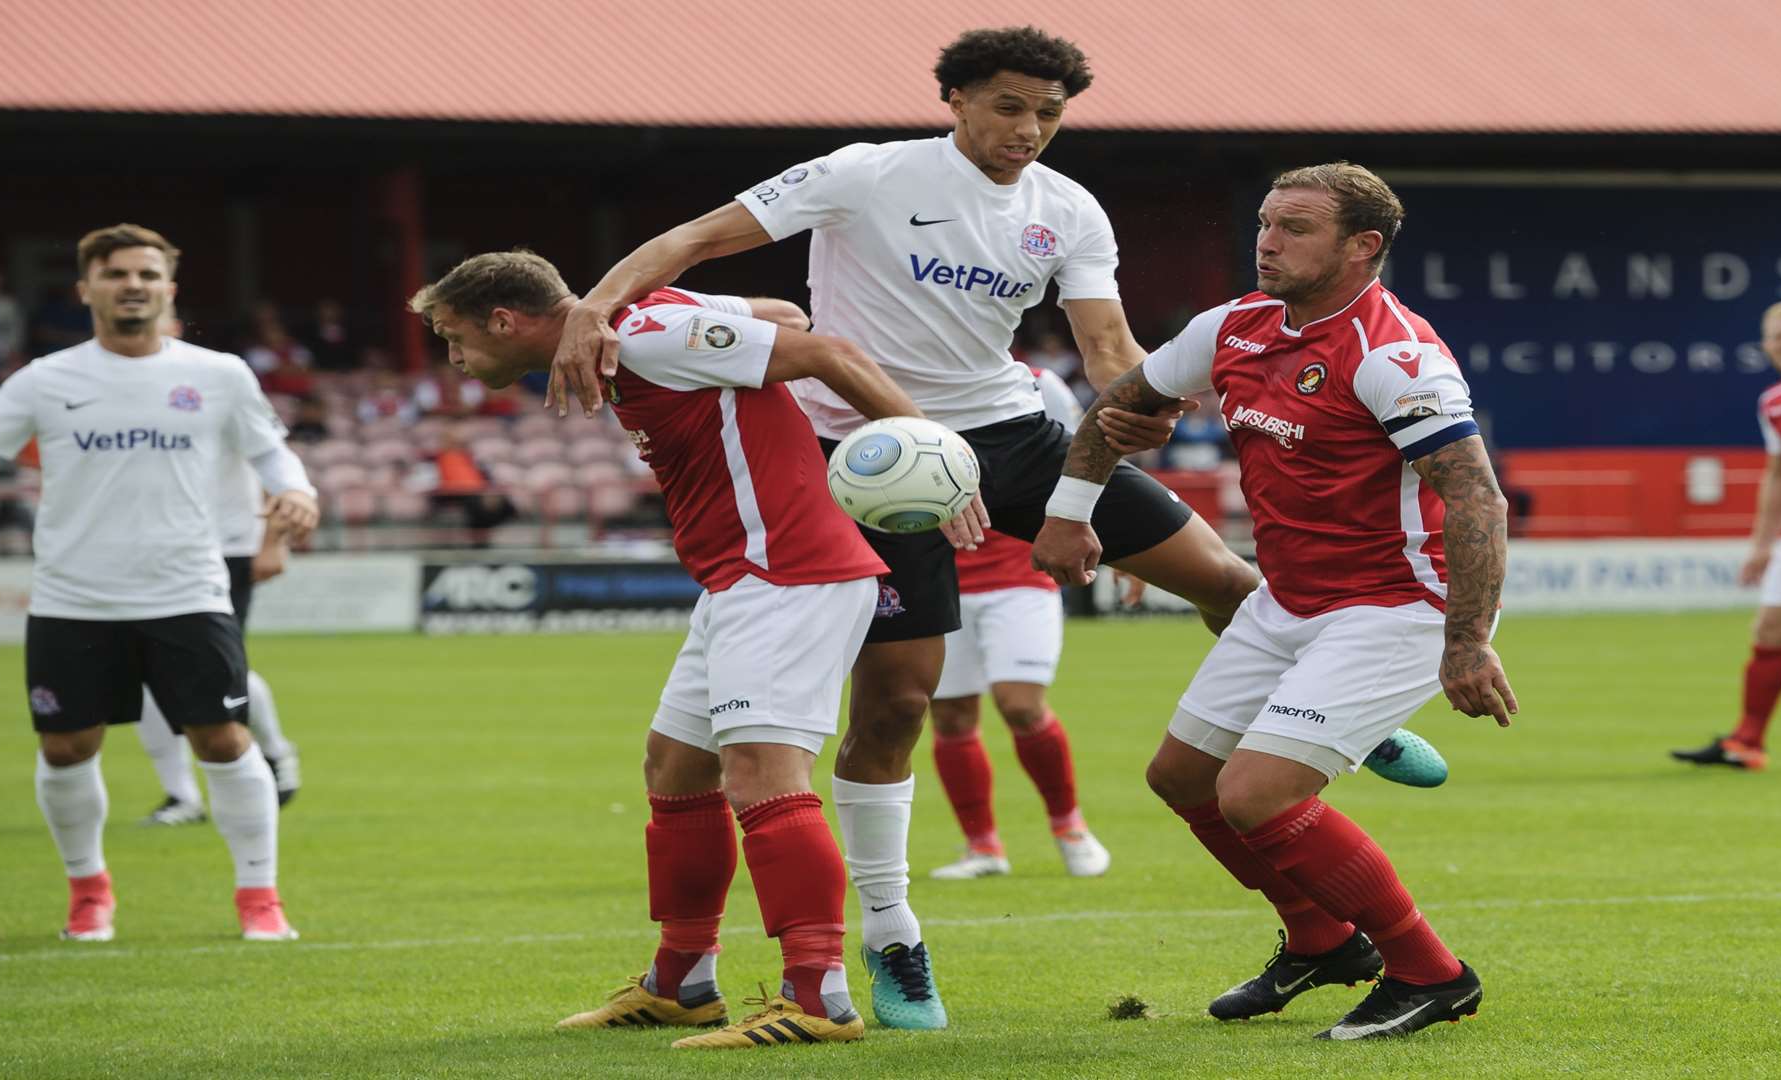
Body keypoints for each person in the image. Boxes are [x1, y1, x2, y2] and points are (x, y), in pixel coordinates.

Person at [547, 26, 1257, 1029]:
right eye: (1010, 106)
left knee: (1225, 580)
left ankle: (1314, 714)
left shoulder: (1068, 209)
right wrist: (595, 307)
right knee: (894, 709)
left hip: (1013, 431)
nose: (1030, 129)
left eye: (1050, 113)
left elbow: (1106, 350)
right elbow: (697, 239)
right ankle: (892, 936)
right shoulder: (865, 175)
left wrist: (1150, 396)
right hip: (879, 464)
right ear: (956, 100)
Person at [412, 250, 969, 1050]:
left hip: (787, 572)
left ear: (505, 320)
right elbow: (786, 315)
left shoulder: (645, 333)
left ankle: (818, 996)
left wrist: (930, 450)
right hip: (740, 582)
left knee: (763, 778)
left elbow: (830, 351)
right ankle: (683, 982)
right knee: (674, 765)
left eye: (454, 336)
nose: (454, 357)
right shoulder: (649, 316)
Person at [1034, 163, 1515, 1040]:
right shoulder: (1233, 327)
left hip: (1394, 606)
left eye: (1295, 227)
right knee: (1182, 778)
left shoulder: (1392, 353)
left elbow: (1478, 498)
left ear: (1363, 247)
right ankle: (1322, 939)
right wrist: (1070, 514)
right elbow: (1124, 398)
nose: (1267, 240)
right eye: (1264, 221)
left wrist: (1468, 641)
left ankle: (1430, 972)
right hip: (1287, 600)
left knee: (1256, 794)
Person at [0, 223, 319, 943]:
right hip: (73, 598)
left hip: (188, 591)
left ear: (169, 288)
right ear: (87, 289)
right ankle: (89, 892)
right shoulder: (45, 379)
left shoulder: (220, 374)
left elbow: (275, 454)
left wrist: (300, 497)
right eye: (115, 274)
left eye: (146, 274)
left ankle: (259, 897)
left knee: (225, 742)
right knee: (66, 750)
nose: (132, 285)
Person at [928, 363, 1109, 879]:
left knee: (1021, 704)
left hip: (1020, 575)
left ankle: (1070, 826)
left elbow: (1086, 463)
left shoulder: (1035, 382)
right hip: (940, 580)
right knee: (951, 717)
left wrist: (1123, 546)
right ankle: (983, 848)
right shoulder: (897, 383)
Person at [139, 309, 305, 825]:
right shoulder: (115, 391)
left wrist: (273, 540)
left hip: (226, 546)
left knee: (214, 666)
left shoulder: (216, 380)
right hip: (153, 550)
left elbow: (270, 457)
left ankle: (275, 753)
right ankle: (181, 795)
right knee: (147, 672)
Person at [1673, 301, 1781, 771]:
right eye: (1777, 336)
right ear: (1765, 347)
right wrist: (1763, 544)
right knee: (1771, 630)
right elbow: (1780, 472)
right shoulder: (1775, 404)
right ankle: (1747, 742)